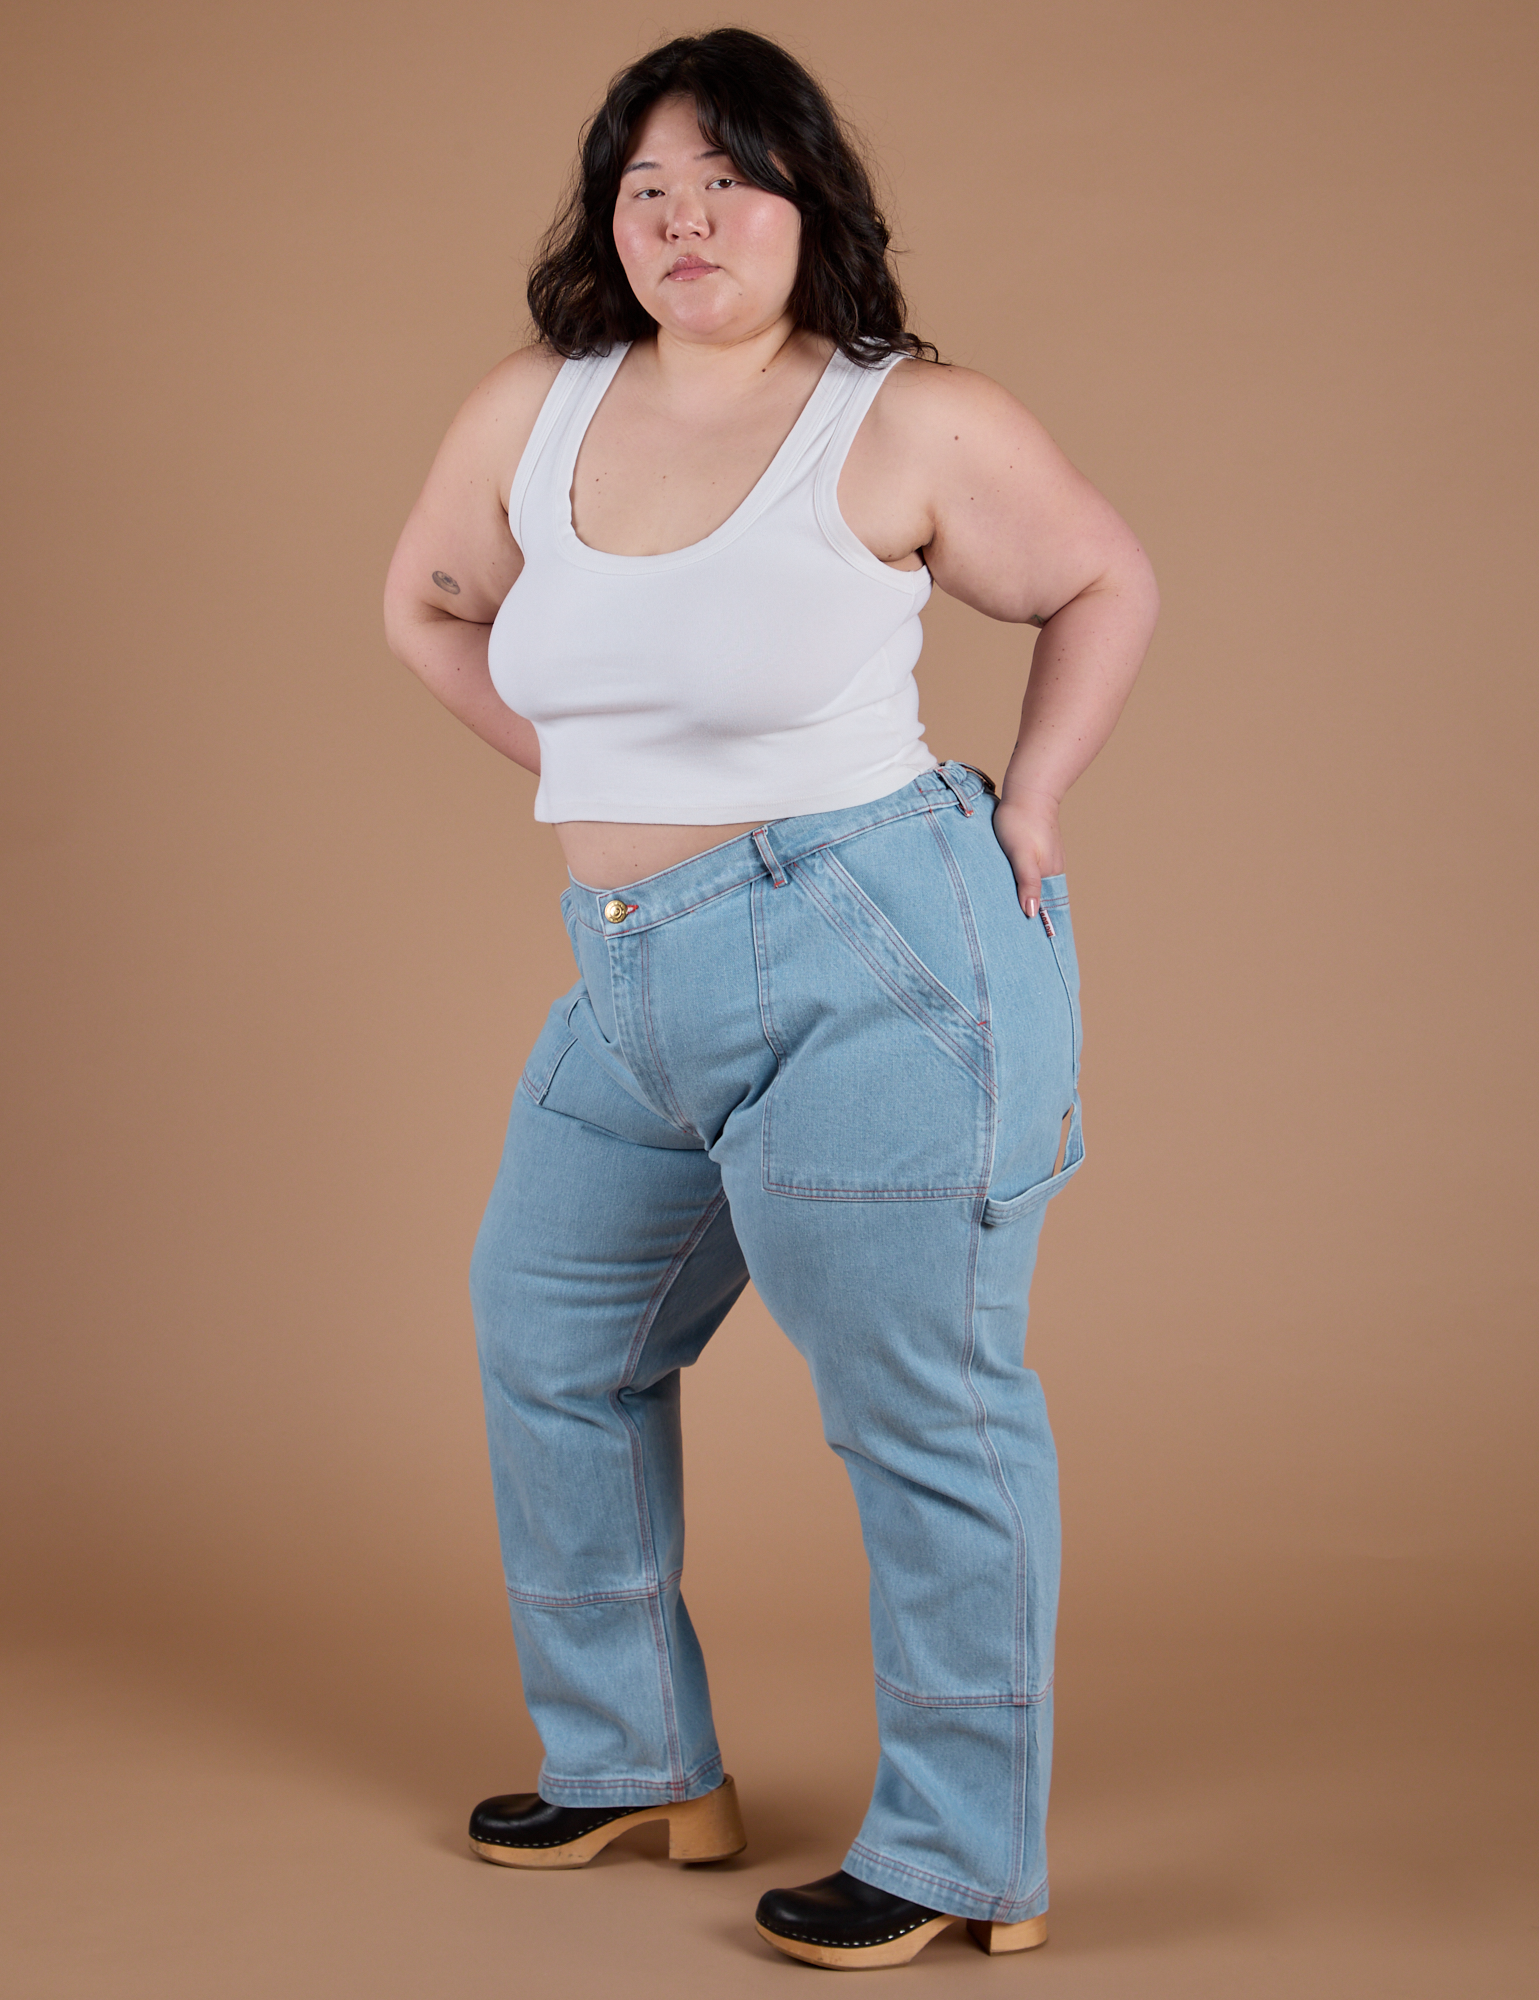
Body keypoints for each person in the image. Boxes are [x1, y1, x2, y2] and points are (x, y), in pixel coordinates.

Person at [383, 26, 1157, 1972]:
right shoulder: (534, 408)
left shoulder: (901, 418)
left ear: (809, 203)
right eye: (643, 186)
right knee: (548, 1333)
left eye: (726, 179)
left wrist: (1037, 798)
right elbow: (423, 603)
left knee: (923, 1408)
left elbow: (1100, 581)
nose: (681, 219)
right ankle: (633, 1757)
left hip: (869, 949)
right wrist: (586, 791)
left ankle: (966, 1851)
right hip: (633, 972)